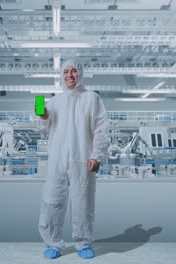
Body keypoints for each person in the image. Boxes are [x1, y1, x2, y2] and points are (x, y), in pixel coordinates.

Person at [35, 59, 110, 259]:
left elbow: (101, 129)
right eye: (66, 71)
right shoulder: (54, 101)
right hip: (57, 159)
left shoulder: (92, 98)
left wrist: (97, 155)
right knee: (52, 201)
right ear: (61, 75)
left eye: (74, 71)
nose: (69, 75)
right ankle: (53, 243)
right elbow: (43, 127)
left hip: (82, 159)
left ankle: (83, 243)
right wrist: (42, 116)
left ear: (81, 74)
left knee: (82, 202)